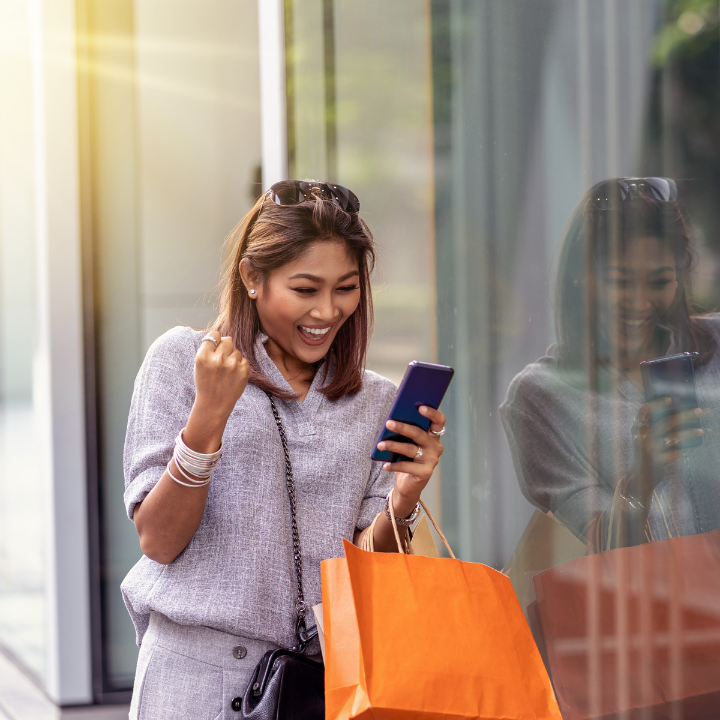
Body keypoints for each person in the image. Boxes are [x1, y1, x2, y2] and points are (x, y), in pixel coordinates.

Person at [121, 180, 446, 719]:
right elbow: (157, 540)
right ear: (253, 277)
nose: (327, 311)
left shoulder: (376, 402)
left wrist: (405, 496)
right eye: (305, 288)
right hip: (195, 681)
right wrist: (208, 419)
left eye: (345, 288)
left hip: (322, 684)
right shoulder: (181, 361)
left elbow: (368, 576)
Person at [500, 177, 720, 551]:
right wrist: (642, 479)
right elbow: (602, 545)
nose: (639, 301)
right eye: (619, 281)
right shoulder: (541, 397)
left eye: (659, 281)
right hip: (651, 605)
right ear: (578, 277)